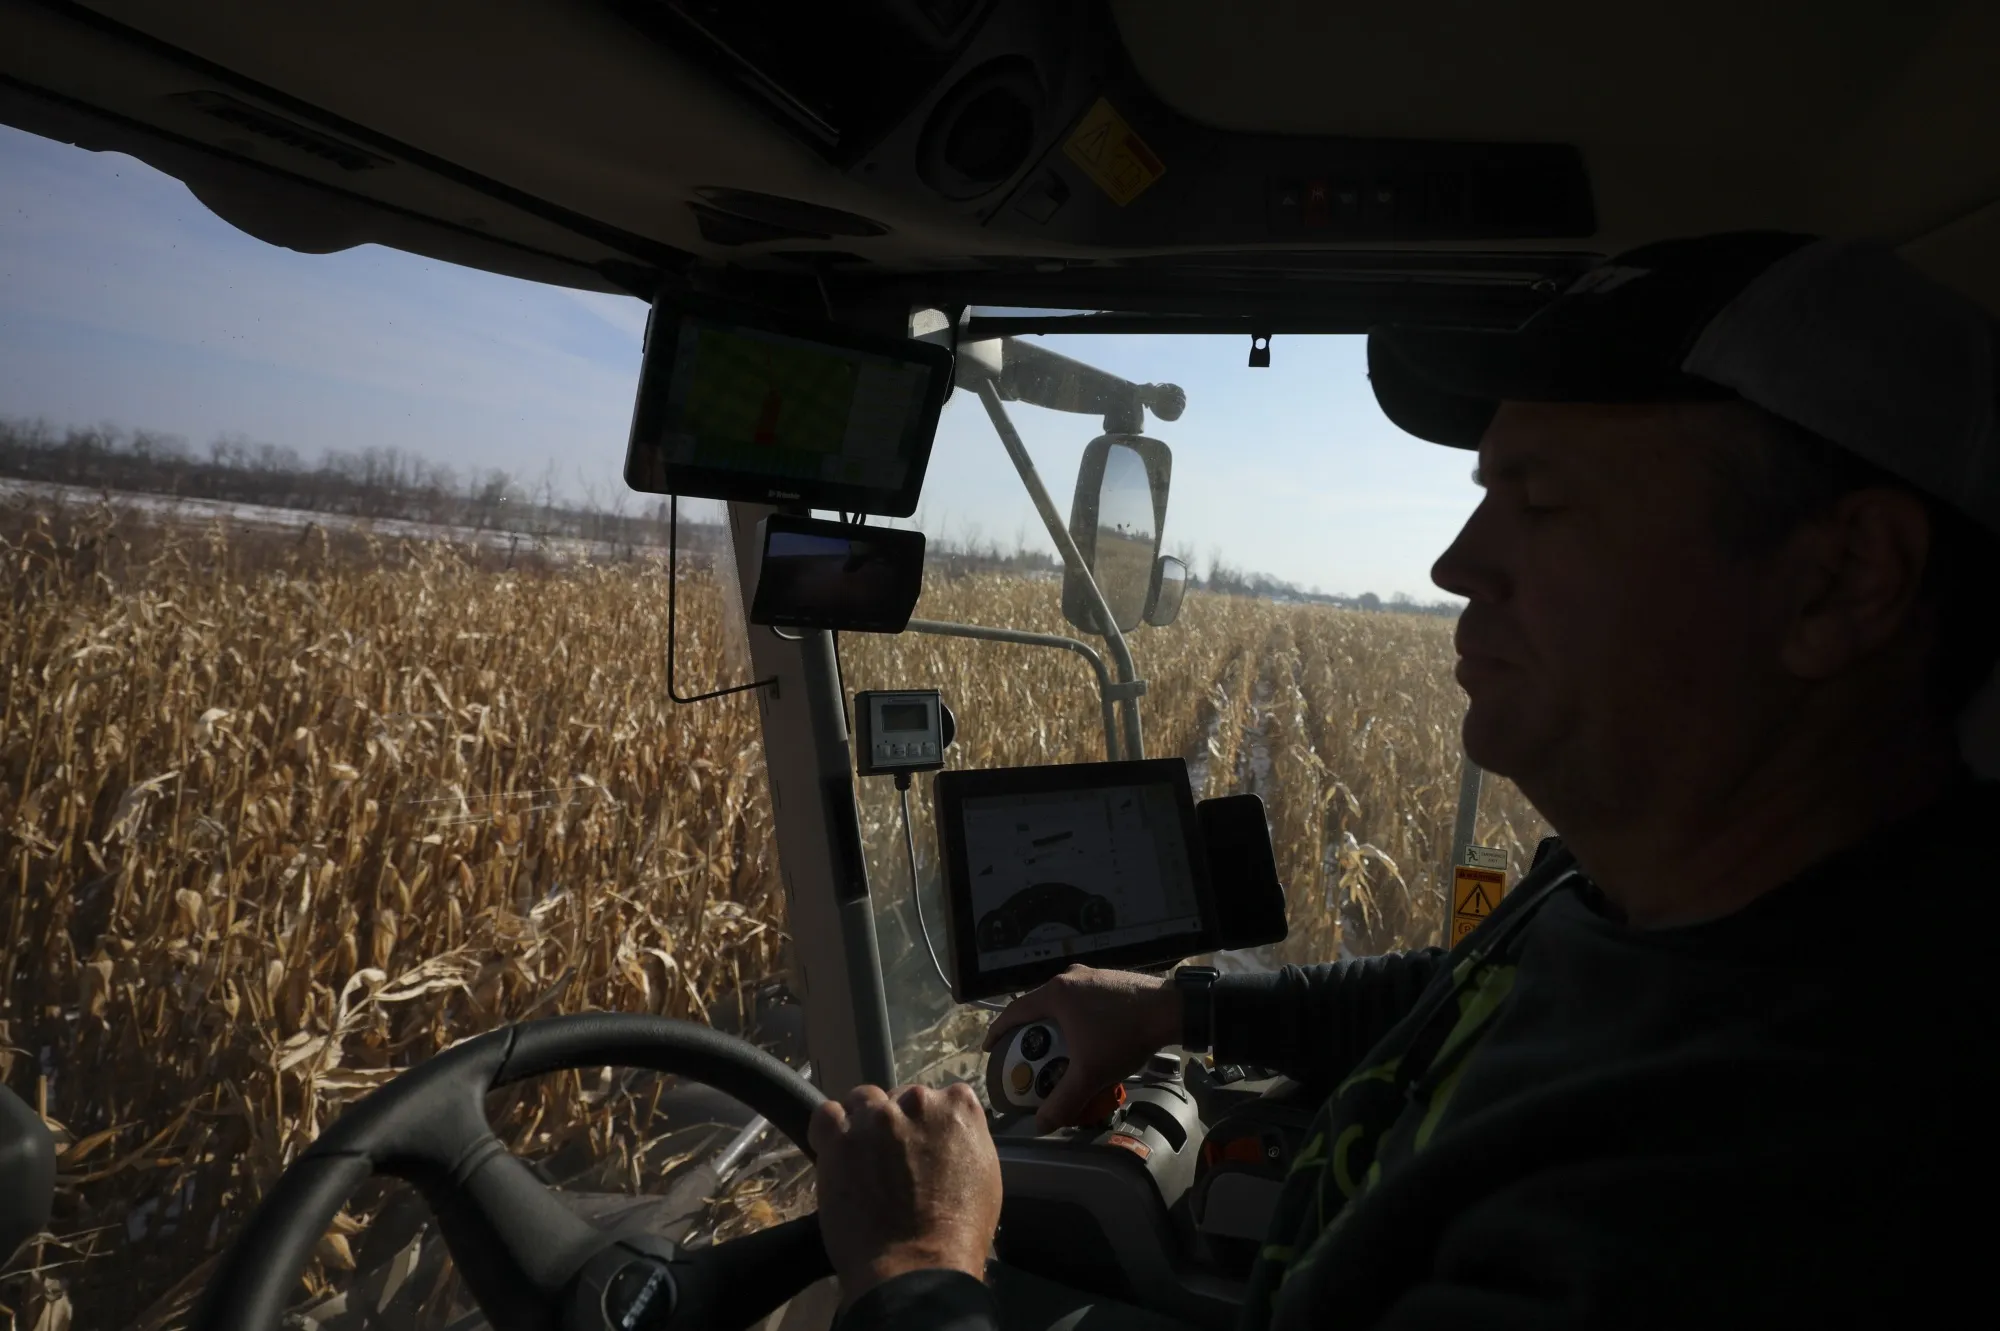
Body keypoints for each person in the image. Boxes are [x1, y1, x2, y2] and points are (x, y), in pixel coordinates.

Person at [807, 232, 2000, 1329]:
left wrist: (918, 1265)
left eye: (1536, 502)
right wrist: (1174, 1008)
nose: (1454, 562)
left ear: (1845, 579)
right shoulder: (1647, 904)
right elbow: (1460, 993)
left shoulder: (1759, 1190)